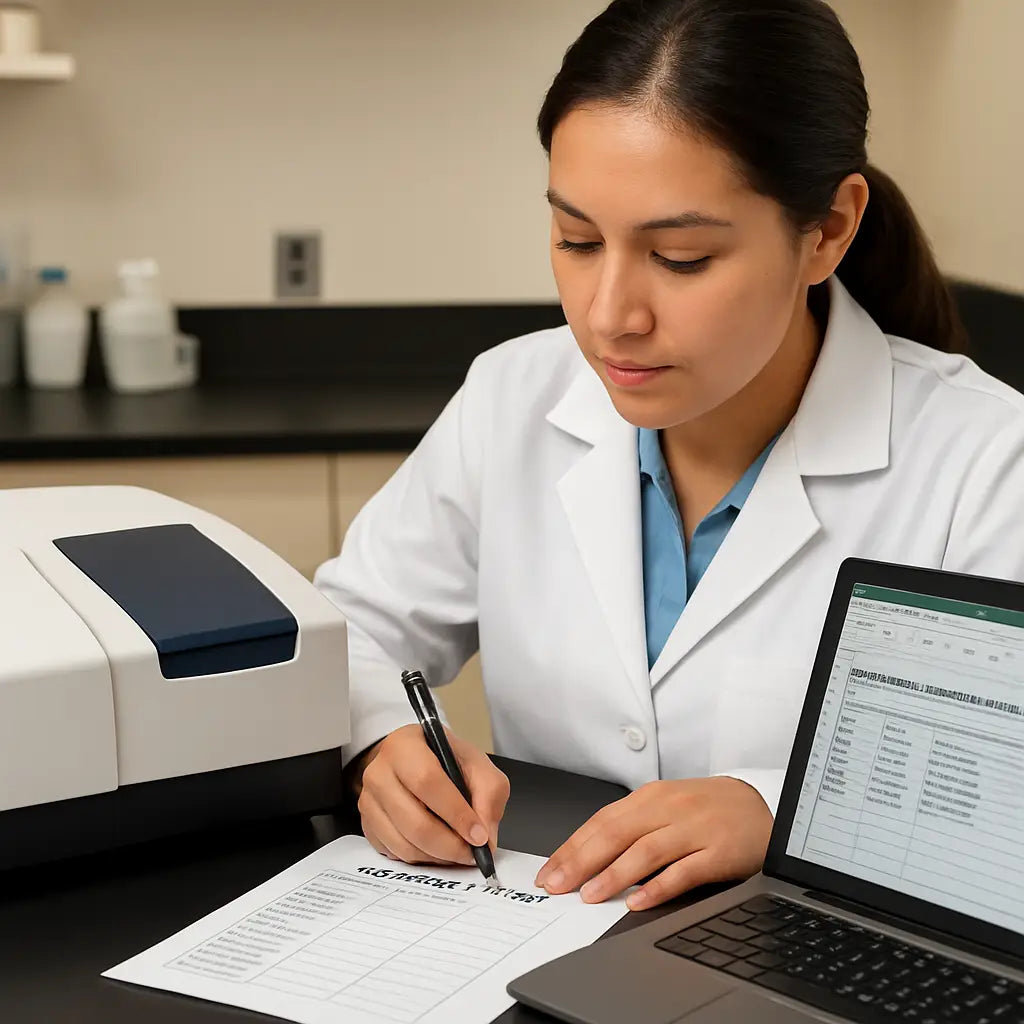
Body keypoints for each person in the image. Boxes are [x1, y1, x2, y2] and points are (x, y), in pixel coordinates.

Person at [314, 0, 1024, 911]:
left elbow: (999, 790)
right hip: (539, 931)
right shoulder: (512, 396)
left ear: (829, 230)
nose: (610, 314)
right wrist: (381, 741)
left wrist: (779, 811)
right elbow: (346, 633)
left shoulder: (984, 460)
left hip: (804, 952)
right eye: (576, 241)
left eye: (681, 257)